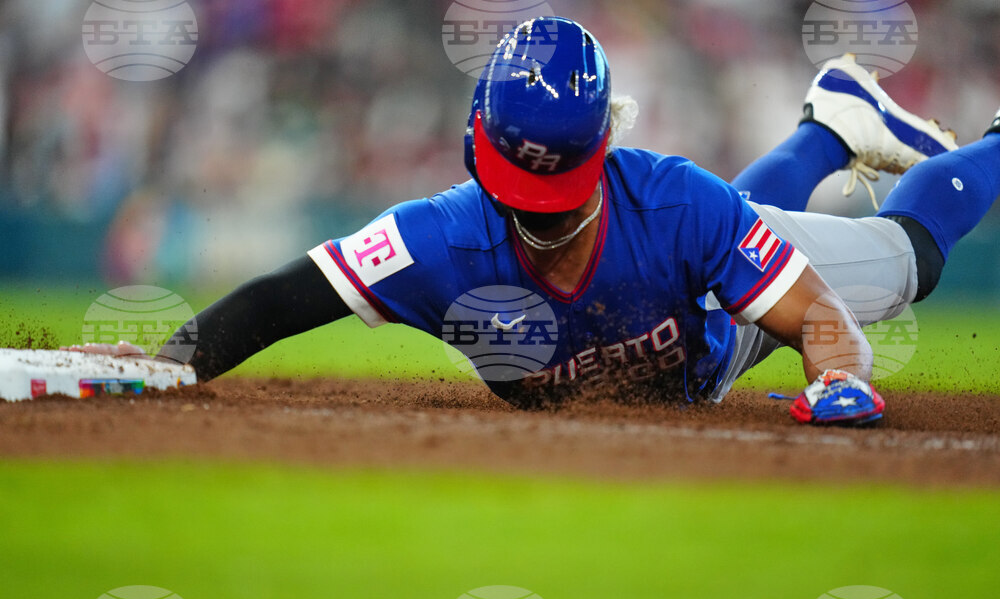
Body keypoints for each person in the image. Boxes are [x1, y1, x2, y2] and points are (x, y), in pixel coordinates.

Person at [69, 17, 1000, 425]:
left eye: (560, 196)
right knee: (732, 224)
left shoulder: (674, 197)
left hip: (731, 338)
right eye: (522, 196)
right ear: (479, 159)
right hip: (706, 265)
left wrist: (840, 378)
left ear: (606, 152)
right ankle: (830, 122)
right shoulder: (436, 238)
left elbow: (820, 320)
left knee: (907, 259)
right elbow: (284, 298)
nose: (543, 222)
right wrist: (171, 363)